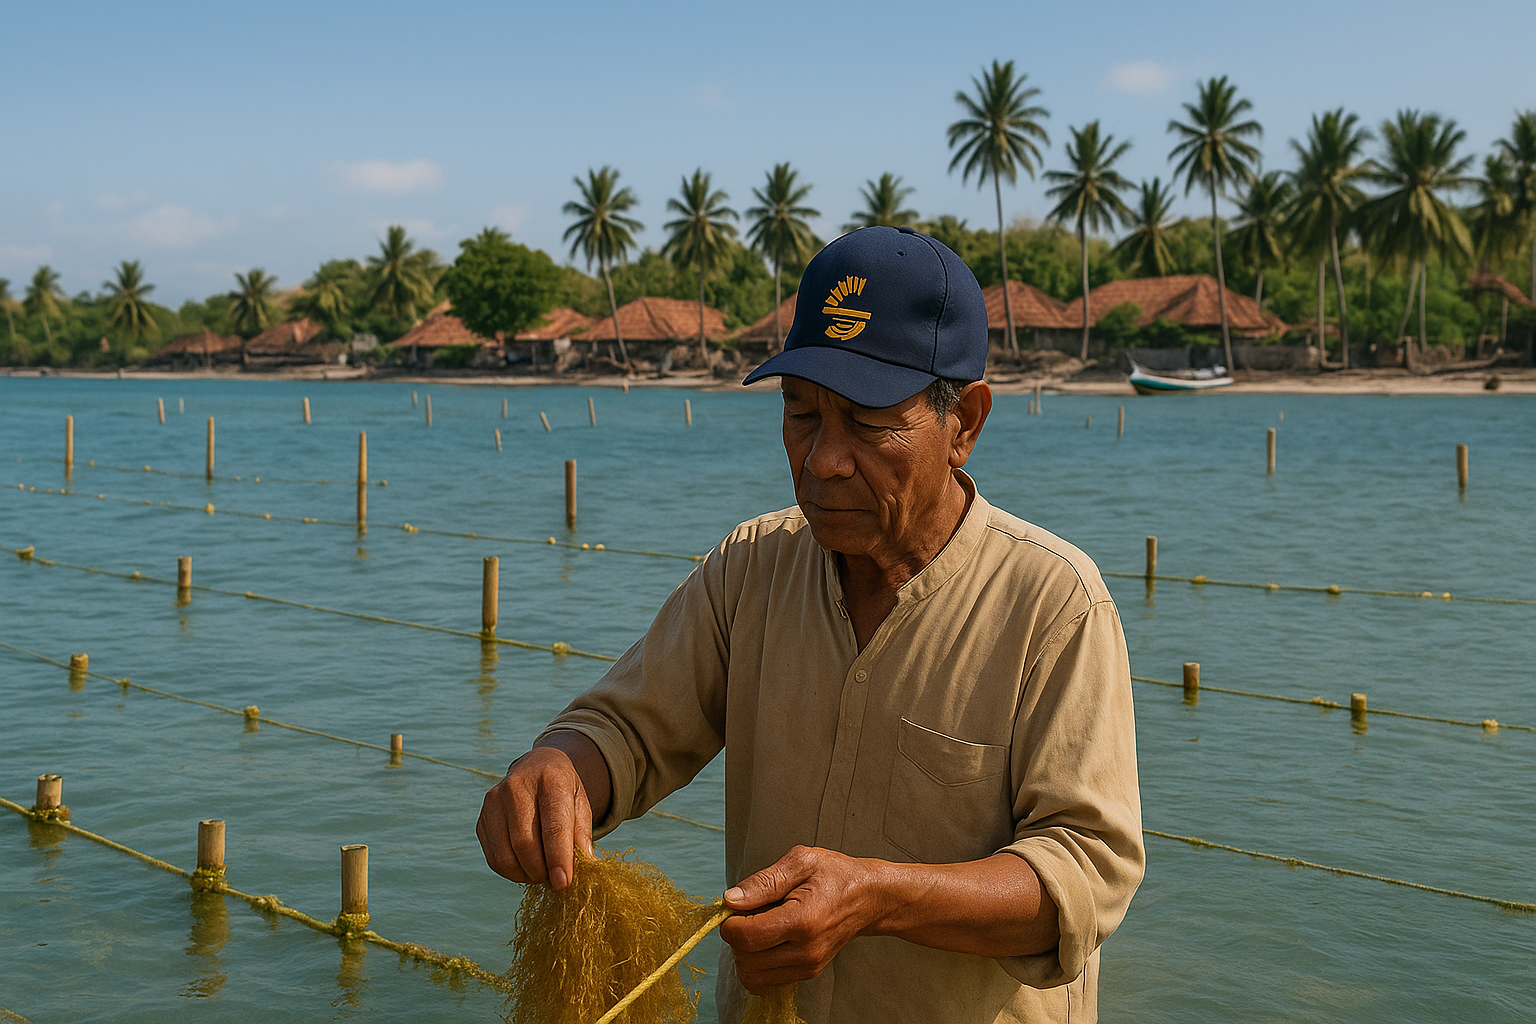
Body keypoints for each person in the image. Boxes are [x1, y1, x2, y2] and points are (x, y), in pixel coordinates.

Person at [477, 225, 1143, 1023]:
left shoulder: (1054, 604)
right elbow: (627, 729)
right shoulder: (750, 568)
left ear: (963, 422)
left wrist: (876, 897)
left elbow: (1085, 871)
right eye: (801, 414)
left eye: (867, 424)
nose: (823, 458)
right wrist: (554, 769)